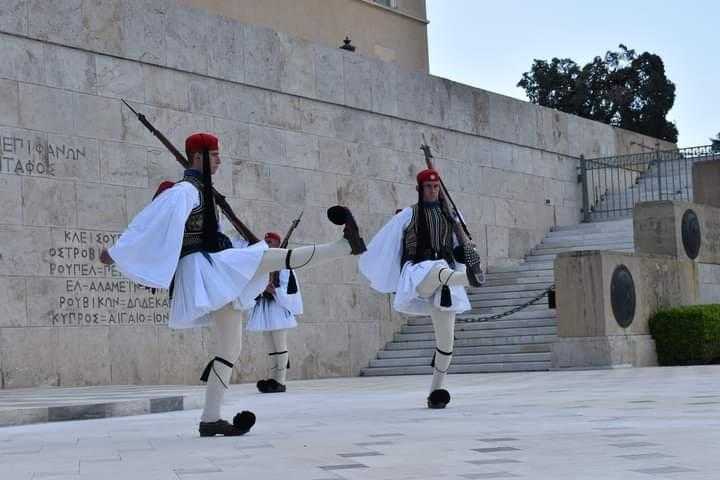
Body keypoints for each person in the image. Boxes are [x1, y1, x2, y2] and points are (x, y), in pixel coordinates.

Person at [100, 132, 366, 436]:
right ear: (198, 156)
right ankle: (344, 247)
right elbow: (150, 223)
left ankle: (210, 419)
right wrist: (116, 253)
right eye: (214, 155)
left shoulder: (201, 191)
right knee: (270, 258)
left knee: (231, 346)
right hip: (203, 268)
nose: (219, 160)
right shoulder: (185, 191)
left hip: (213, 267)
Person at [359, 168, 481, 409]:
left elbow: (457, 248)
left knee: (446, 344)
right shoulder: (408, 215)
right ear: (419, 189)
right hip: (419, 272)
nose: (432, 191)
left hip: (446, 281)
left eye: (436, 187)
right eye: (428, 187)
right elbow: (388, 243)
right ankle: (470, 279)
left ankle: (436, 391)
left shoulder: (452, 216)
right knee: (437, 270)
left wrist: (467, 251)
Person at [247, 232, 303, 394]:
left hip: (278, 308)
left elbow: (289, 288)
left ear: (277, 244)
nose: (267, 244)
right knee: (271, 346)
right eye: (266, 242)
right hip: (265, 309)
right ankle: (273, 379)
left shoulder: (283, 266)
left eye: (270, 242)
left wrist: (275, 290)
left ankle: (280, 380)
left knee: (279, 344)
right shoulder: (263, 262)